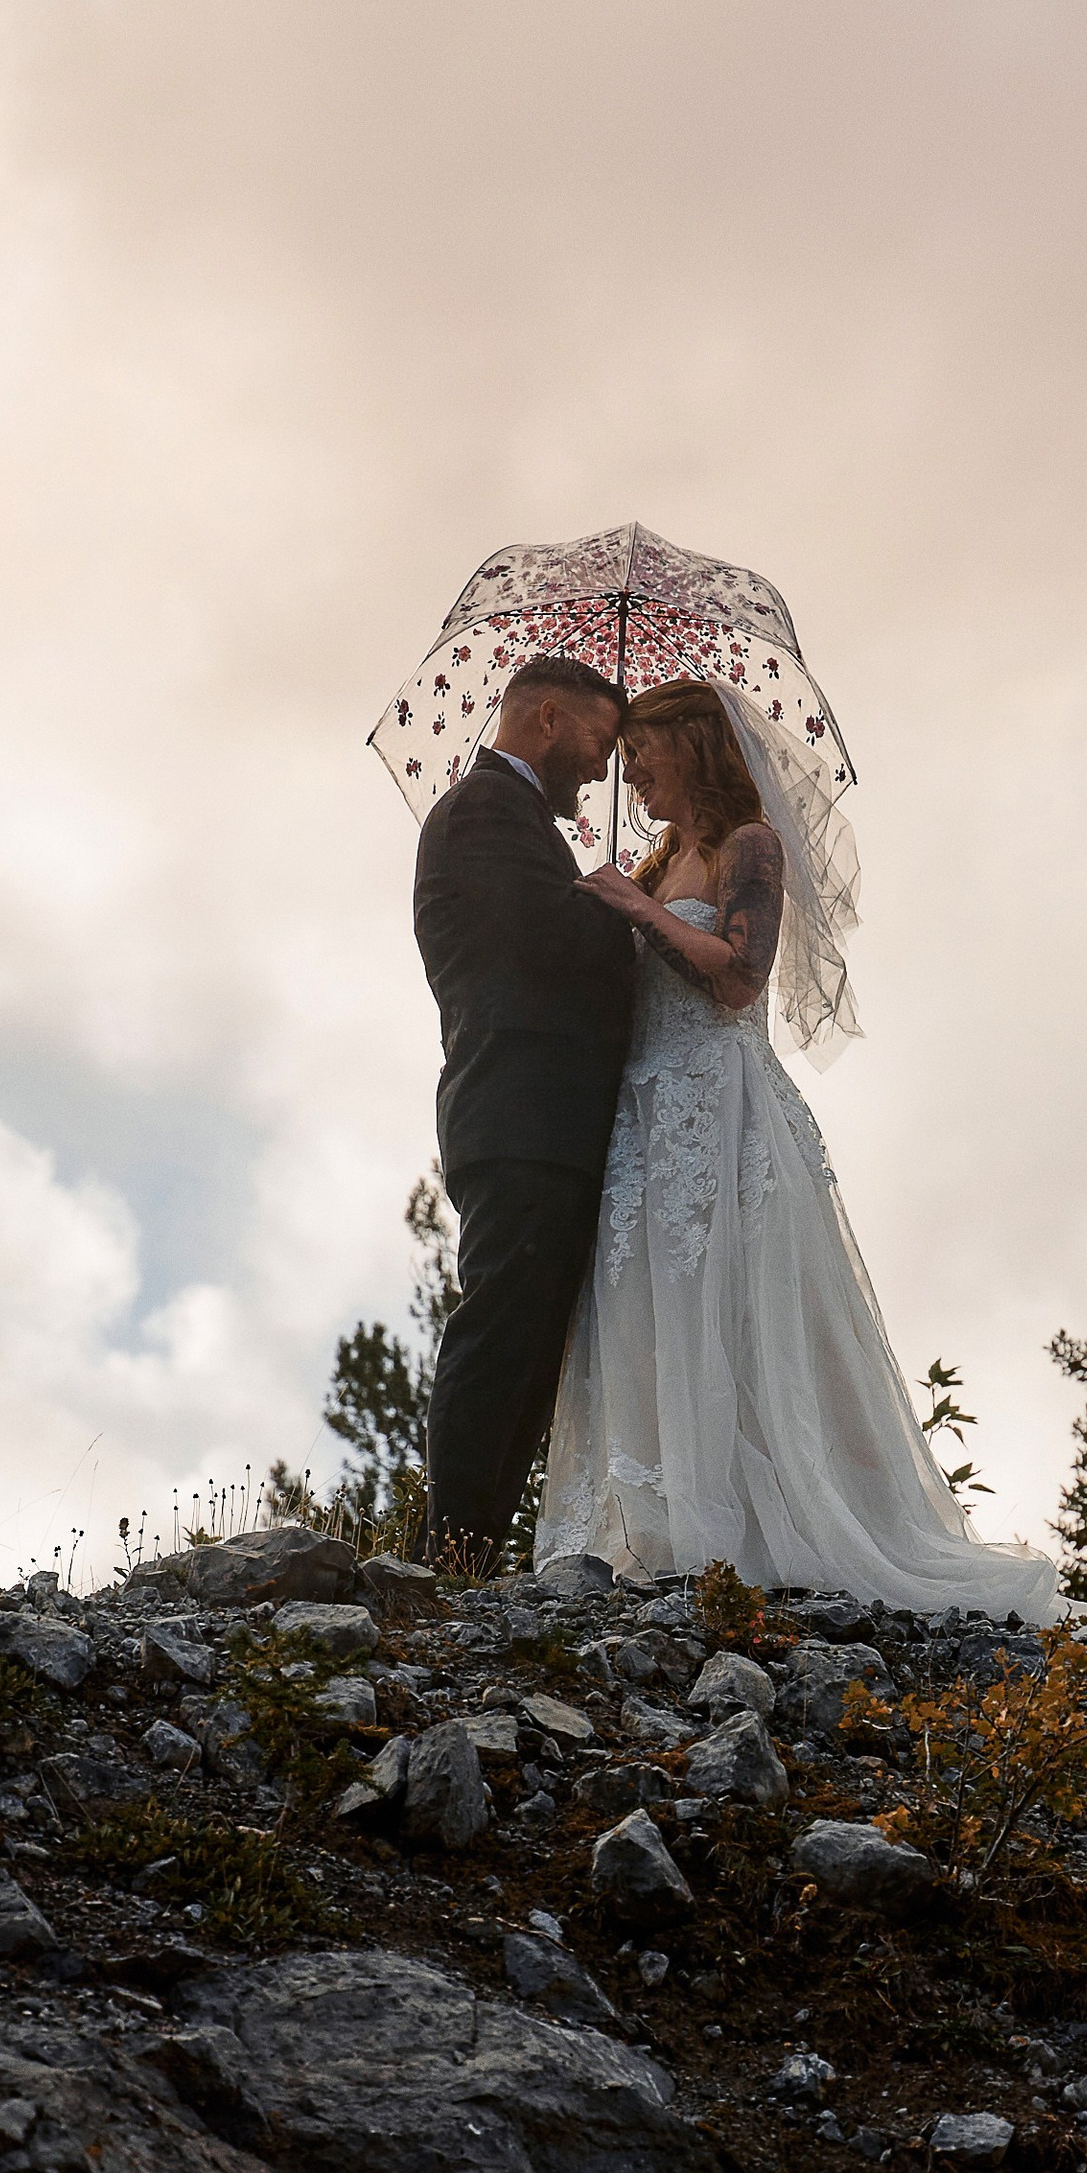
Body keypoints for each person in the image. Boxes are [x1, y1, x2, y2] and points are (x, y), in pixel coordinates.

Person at [525, 672, 1061, 1618]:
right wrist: (607, 898)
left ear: (690, 747)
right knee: (645, 1300)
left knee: (727, 1305)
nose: (630, 770)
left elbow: (739, 979)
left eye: (643, 751)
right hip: (644, 1114)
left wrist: (644, 914)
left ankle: (730, 1536)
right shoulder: (651, 863)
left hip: (722, 1110)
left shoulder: (750, 847)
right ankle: (649, 1528)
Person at [412, 652, 630, 1566]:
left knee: (531, 1350)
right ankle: (447, 1552)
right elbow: (550, 945)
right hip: (518, 1114)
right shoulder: (484, 812)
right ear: (547, 716)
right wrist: (633, 905)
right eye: (599, 739)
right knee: (501, 1329)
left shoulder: (521, 821)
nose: (603, 765)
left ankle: (471, 1553)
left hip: (544, 1120)